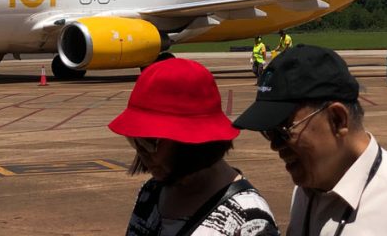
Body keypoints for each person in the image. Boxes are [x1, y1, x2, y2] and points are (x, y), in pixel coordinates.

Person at [234, 45, 387, 235]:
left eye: (284, 131)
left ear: (337, 120)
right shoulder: (306, 192)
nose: (275, 146)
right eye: (269, 133)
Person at [109, 58, 279, 236]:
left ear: (190, 142)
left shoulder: (248, 219)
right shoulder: (152, 192)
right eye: (134, 140)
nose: (141, 152)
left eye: (149, 142)